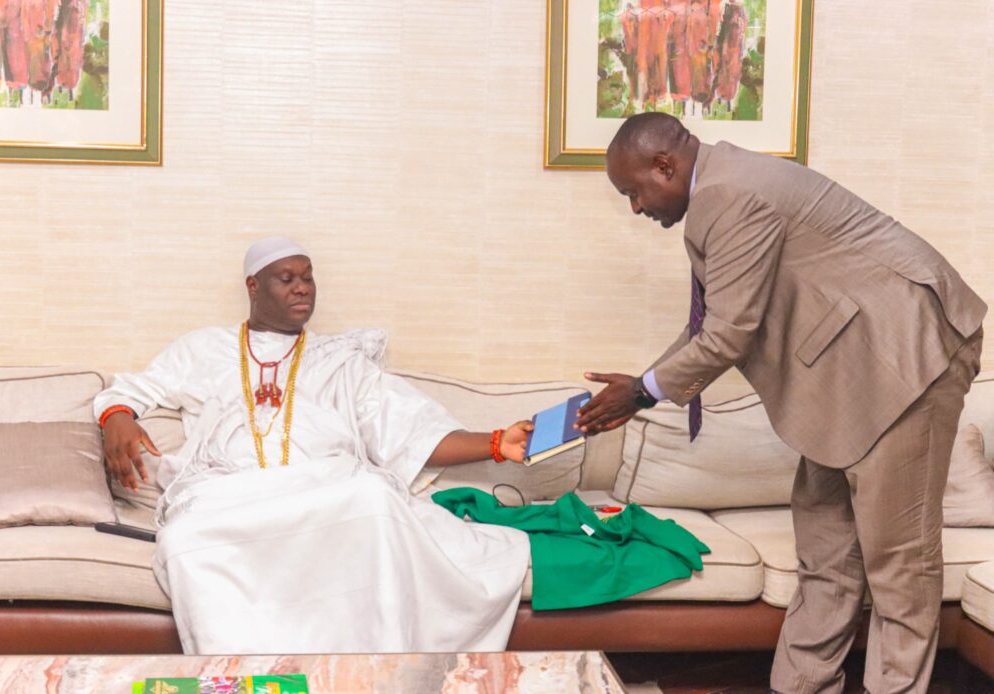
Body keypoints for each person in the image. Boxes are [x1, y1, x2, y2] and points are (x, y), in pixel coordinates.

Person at [576, 112, 986, 694]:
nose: (636, 208)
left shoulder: (732, 194)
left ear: (663, 165)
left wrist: (643, 390)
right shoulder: (722, 187)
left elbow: (729, 334)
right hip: (846, 377)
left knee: (899, 567)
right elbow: (714, 323)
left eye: (633, 192)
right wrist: (643, 388)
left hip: (907, 360)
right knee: (824, 549)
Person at [94, 237, 534, 655]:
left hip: (326, 490)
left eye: (308, 277)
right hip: (231, 494)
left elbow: (412, 431)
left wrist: (497, 443)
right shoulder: (203, 347)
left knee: (374, 496)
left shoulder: (341, 361)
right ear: (253, 287)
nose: (302, 287)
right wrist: (117, 417)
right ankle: (247, 674)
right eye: (287, 279)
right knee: (182, 538)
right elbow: (133, 390)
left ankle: (370, 671)